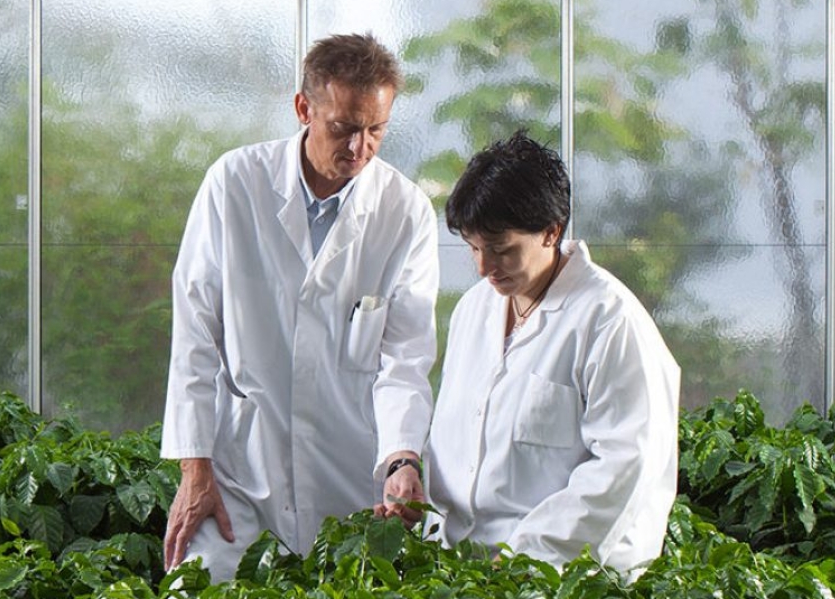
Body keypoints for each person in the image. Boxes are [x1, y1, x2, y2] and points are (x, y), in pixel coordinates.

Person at [160, 33, 439, 581]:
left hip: (351, 475)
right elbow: (195, 337)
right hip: (242, 472)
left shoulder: (405, 212)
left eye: (375, 130)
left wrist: (403, 458)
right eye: (343, 127)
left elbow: (404, 359)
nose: (360, 147)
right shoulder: (234, 185)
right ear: (304, 108)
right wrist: (196, 470)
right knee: (194, 587)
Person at [421, 131, 679, 577]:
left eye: (501, 251)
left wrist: (528, 557)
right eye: (474, 249)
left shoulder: (609, 322)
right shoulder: (473, 310)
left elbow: (625, 467)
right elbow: (453, 440)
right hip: (467, 571)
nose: (483, 268)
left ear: (551, 232)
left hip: (564, 576)